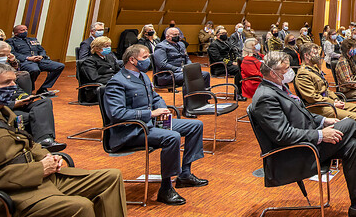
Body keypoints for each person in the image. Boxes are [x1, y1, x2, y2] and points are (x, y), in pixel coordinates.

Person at [251, 51, 356, 217]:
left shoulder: (278, 87)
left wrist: (323, 121)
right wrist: (321, 135)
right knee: (349, 123)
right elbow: (283, 135)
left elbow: (302, 114)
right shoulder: (265, 97)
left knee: (353, 146)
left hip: (306, 143)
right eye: (286, 69)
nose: (290, 71)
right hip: (294, 154)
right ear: (273, 72)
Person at [0, 62, 128, 216]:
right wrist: (38, 169)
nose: (13, 86)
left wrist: (47, 157)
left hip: (43, 179)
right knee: (81, 206)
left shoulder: (5, 112)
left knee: (111, 177)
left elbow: (28, 142)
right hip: (15, 191)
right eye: (5, 83)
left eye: (13, 81)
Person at [104, 44, 208, 205]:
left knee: (195, 125)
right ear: (132, 59)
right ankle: (166, 188)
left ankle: (185, 175)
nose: (149, 60)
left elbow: (154, 96)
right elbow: (117, 114)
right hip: (132, 130)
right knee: (172, 137)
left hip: (151, 124)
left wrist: (162, 107)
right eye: (145, 57)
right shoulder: (117, 82)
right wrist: (151, 113)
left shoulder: (143, 76)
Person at [0, 41, 66, 152]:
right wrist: (14, 104)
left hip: (14, 101)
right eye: (2, 55)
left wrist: (25, 97)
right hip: (2, 107)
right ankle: (39, 145)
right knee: (31, 116)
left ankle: (45, 140)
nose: (6, 58)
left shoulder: (5, 67)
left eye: (7, 55)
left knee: (44, 103)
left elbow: (15, 88)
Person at [294, 43, 356, 133]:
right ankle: (353, 141)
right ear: (307, 55)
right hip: (318, 107)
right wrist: (333, 103)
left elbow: (326, 89)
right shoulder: (303, 74)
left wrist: (336, 100)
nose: (319, 56)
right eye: (315, 53)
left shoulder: (314, 69)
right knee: (354, 117)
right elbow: (312, 98)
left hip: (327, 102)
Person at [7, 24, 65, 94]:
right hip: (25, 61)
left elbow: (42, 50)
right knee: (34, 70)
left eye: (26, 30)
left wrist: (41, 56)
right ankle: (29, 87)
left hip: (39, 60)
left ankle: (43, 88)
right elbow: (13, 53)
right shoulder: (10, 41)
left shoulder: (33, 39)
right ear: (16, 32)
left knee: (59, 66)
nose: (25, 31)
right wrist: (28, 58)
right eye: (22, 30)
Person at [79, 36, 122, 103]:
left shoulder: (110, 57)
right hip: (97, 89)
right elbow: (94, 78)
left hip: (111, 84)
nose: (108, 48)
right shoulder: (89, 61)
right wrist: (113, 79)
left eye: (109, 46)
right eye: (106, 46)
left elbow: (118, 71)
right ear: (97, 49)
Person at [207, 26, 245, 100]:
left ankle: (241, 91)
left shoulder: (227, 43)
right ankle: (237, 94)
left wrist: (237, 59)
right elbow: (218, 59)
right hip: (219, 67)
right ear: (218, 35)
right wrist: (231, 63)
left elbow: (234, 51)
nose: (225, 35)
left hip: (228, 65)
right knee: (238, 69)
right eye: (223, 33)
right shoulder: (214, 45)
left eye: (226, 33)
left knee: (243, 66)